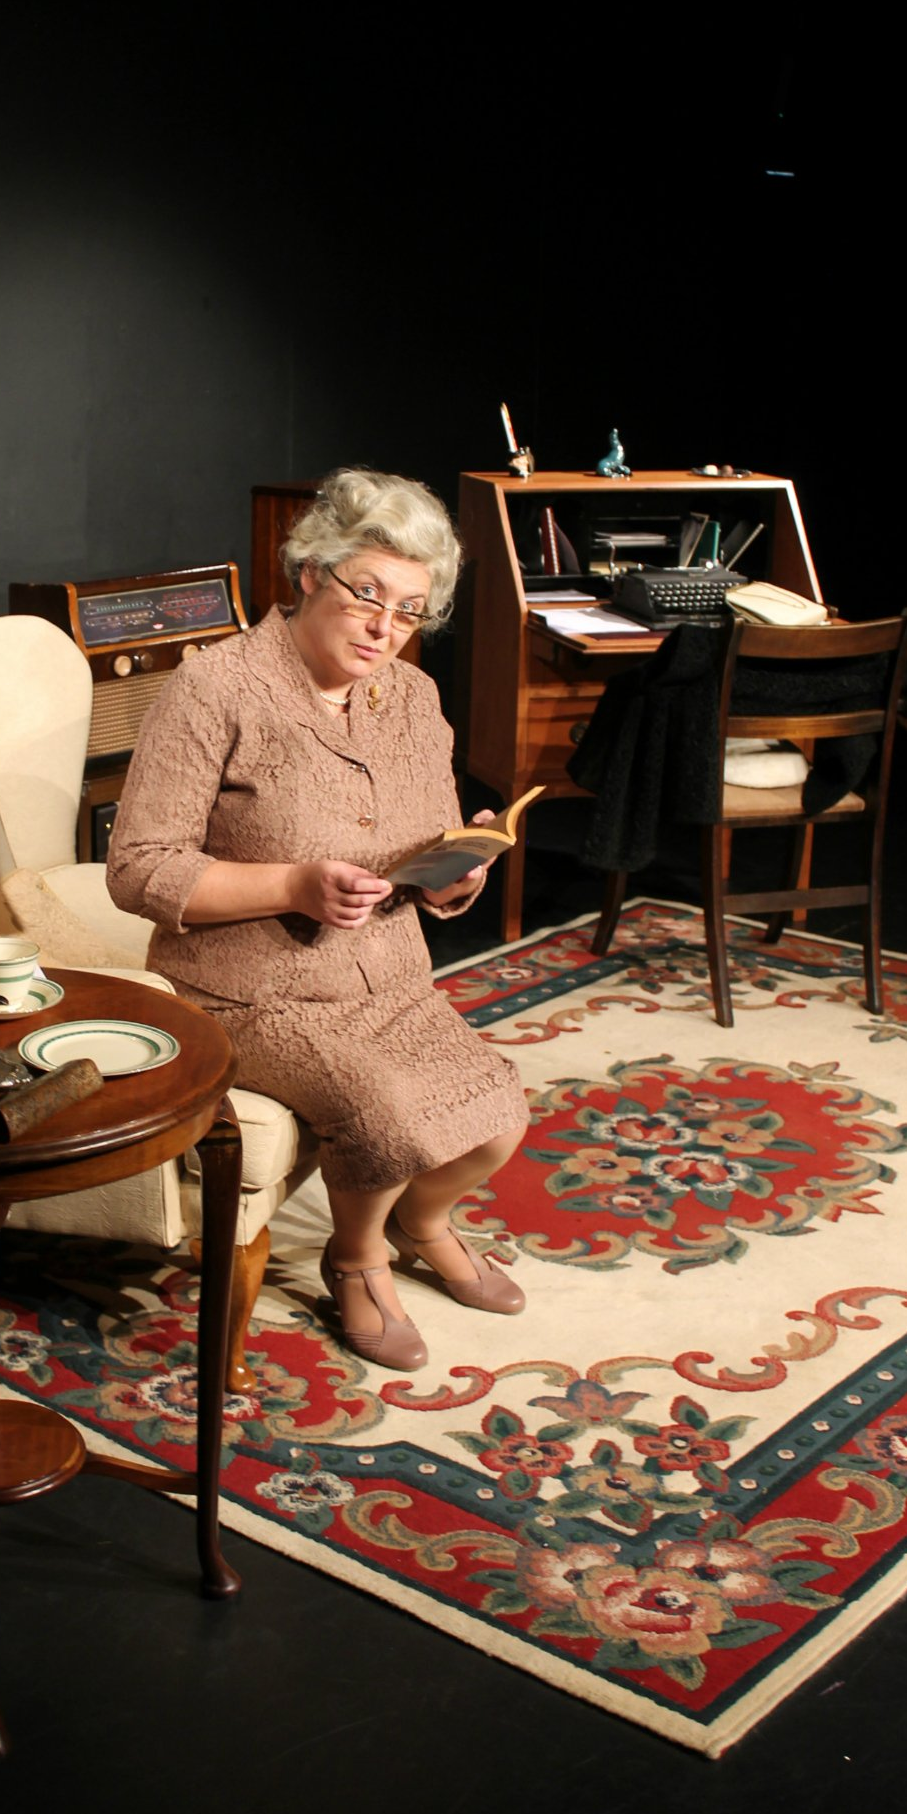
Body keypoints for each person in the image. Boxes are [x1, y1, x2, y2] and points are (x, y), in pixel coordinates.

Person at [106, 469, 528, 1371]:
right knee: (388, 1120)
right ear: (309, 573)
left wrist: (456, 877)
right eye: (366, 595)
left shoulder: (412, 698)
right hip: (250, 991)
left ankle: (423, 1223)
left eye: (410, 611)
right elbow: (138, 869)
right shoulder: (214, 688)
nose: (384, 628)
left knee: (501, 1118)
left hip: (388, 976)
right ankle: (357, 1257)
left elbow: (429, 844)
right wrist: (294, 886)